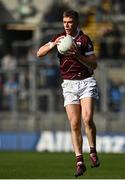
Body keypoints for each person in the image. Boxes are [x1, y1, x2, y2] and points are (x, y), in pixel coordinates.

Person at [37, 10, 100, 177]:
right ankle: (80, 161)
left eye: (70, 22)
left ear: (76, 22)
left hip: (86, 82)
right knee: (74, 123)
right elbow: (39, 53)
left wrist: (78, 56)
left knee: (87, 119)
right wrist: (52, 44)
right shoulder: (59, 38)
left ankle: (92, 151)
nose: (66, 25)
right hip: (69, 85)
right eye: (64, 22)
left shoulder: (84, 39)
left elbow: (94, 65)